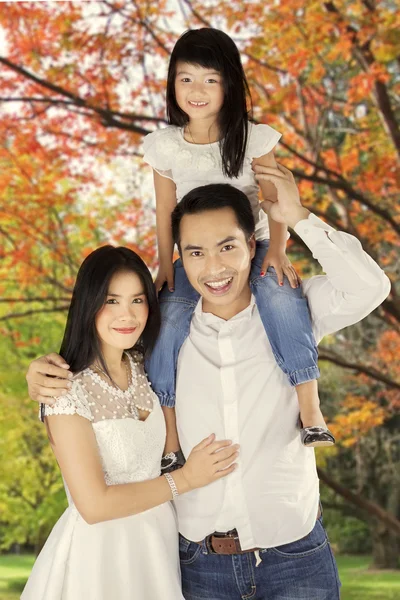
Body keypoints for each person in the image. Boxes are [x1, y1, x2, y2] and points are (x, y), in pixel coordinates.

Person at [26, 166, 390, 599]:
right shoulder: (160, 333)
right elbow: (103, 359)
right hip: (199, 567)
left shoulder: (294, 310)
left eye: (227, 247)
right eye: (196, 253)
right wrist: (44, 373)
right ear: (179, 257)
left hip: (296, 560)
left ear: (251, 246)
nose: (213, 268)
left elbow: (370, 288)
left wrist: (299, 217)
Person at [143, 27, 334, 449]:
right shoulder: (164, 147)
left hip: (254, 245)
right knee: (169, 319)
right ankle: (169, 434)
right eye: (186, 78)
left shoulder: (253, 138)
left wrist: (279, 251)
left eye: (210, 80)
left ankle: (311, 410)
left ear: (229, 84)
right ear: (172, 82)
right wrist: (163, 265)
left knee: (282, 297)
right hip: (193, 254)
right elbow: (163, 212)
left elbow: (273, 200)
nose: (197, 90)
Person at [21, 246, 238, 600]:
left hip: (157, 548)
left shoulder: (144, 366)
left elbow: (185, 286)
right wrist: (185, 479)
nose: (128, 315)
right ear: (88, 304)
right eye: (111, 301)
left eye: (137, 300)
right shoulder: (65, 388)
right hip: (100, 559)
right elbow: (94, 505)